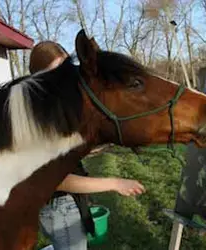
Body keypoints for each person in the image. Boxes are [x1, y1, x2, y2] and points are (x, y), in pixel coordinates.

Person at [29, 41, 146, 250]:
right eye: (56, 72)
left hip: (63, 207)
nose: (65, 79)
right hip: (60, 208)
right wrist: (116, 183)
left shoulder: (52, 109)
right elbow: (58, 181)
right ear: (39, 78)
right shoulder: (39, 117)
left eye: (67, 69)